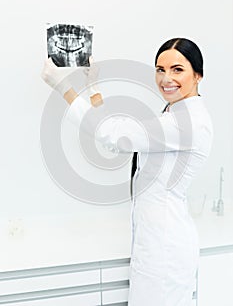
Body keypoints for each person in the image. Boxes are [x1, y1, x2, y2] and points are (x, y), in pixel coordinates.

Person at [41, 37, 213, 306]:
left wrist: (63, 88)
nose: (166, 78)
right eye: (160, 69)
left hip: (165, 252)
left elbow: (115, 136)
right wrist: (93, 86)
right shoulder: (173, 113)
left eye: (177, 69)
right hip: (155, 242)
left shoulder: (187, 123)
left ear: (198, 75)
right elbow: (118, 128)